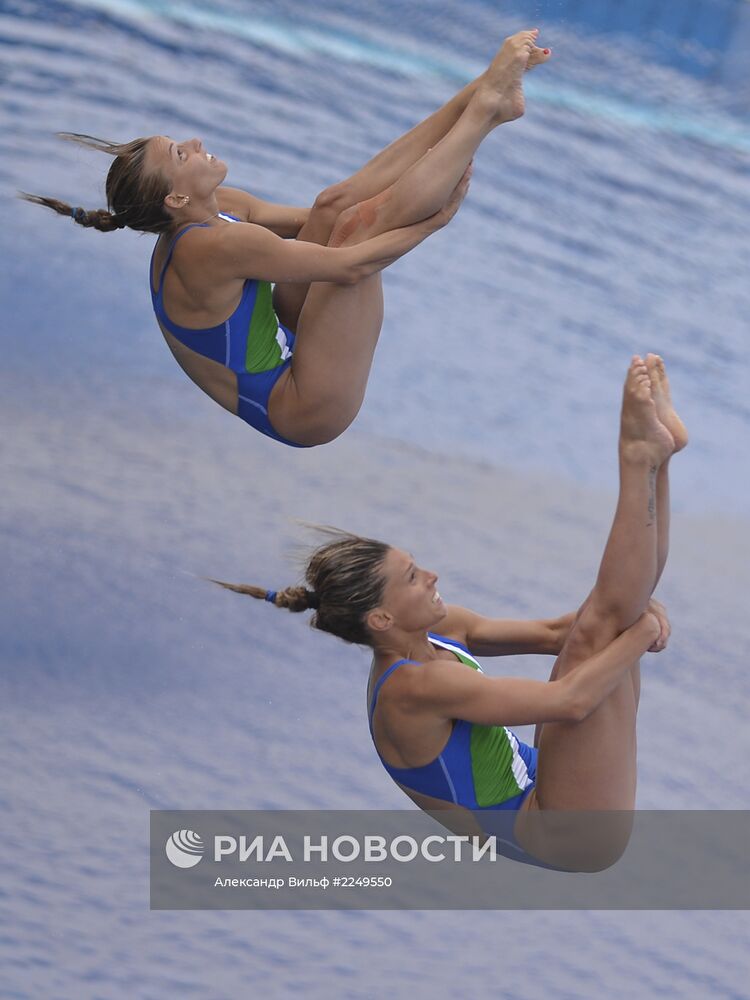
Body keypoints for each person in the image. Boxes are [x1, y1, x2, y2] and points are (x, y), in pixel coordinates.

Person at [213, 355, 688, 869]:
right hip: (567, 831)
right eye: (413, 578)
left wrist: (636, 620)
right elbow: (571, 702)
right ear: (382, 620)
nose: (432, 576)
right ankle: (640, 456)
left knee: (604, 619)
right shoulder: (413, 691)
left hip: (546, 780)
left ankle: (657, 460)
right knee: (608, 628)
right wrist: (641, 633)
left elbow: (557, 632)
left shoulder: (444, 630)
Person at [21, 31, 551, 447]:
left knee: (332, 207)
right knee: (353, 234)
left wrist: (482, 80)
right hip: (305, 406)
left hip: (283, 337)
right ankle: (485, 113)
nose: (195, 141)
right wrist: (431, 223)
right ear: (175, 200)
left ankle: (486, 95)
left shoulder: (214, 211)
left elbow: (322, 214)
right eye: (179, 155)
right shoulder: (209, 248)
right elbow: (350, 266)